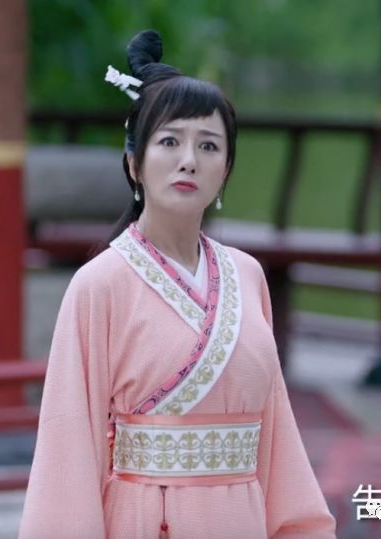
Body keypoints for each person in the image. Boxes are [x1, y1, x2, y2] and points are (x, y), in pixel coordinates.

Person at [19, 29, 336, 539]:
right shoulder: (99, 284)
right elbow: (69, 442)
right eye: (170, 141)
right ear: (135, 163)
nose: (189, 159)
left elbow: (277, 435)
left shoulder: (247, 276)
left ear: (225, 171)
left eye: (208, 145)